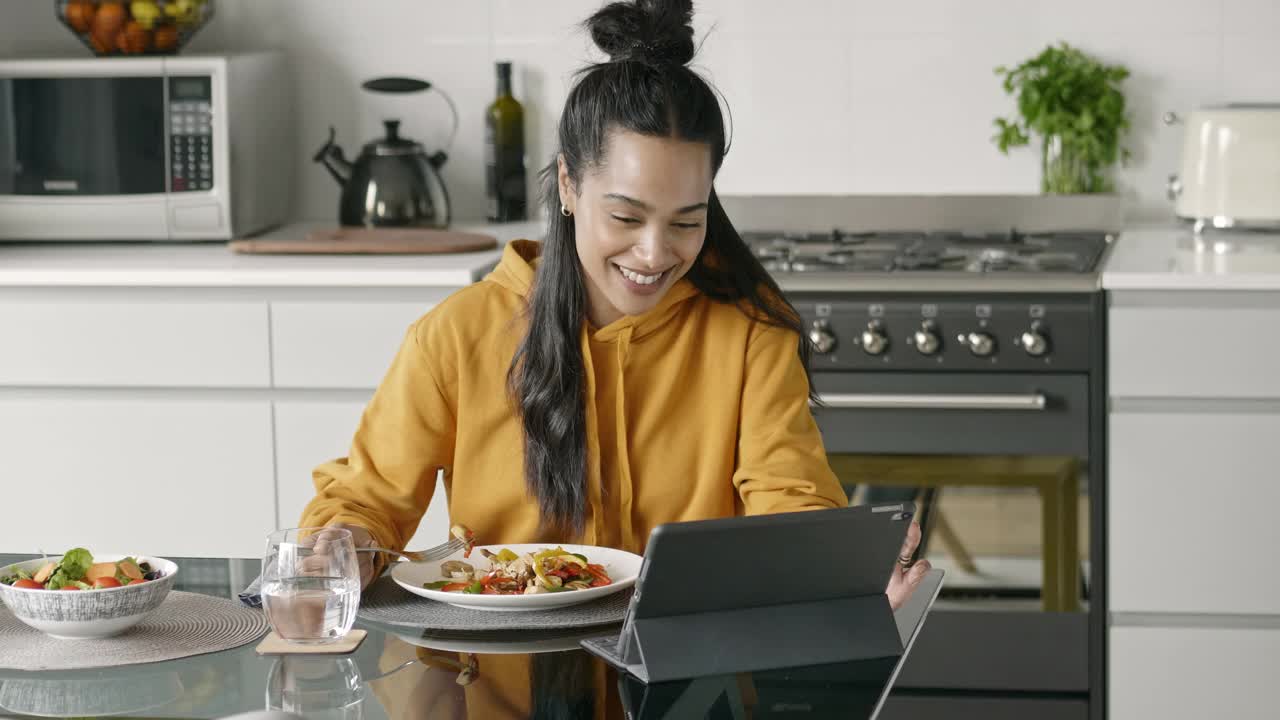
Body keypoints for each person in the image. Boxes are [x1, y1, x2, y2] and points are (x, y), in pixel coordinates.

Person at [298, 0, 931, 611]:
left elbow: (788, 498)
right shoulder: (457, 335)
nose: (654, 253)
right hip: (496, 677)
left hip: (693, 674)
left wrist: (838, 564)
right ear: (570, 183)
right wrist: (345, 544)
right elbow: (367, 501)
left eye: (688, 221)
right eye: (626, 215)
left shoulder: (748, 332)